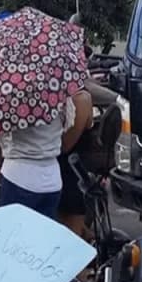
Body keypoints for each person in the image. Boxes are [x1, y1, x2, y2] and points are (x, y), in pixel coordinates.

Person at [0, 94, 76, 219]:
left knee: (14, 228)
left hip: (19, 174)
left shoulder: (11, 95)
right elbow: (68, 122)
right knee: (44, 229)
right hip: (52, 176)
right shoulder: (59, 92)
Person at [57, 88, 95, 238]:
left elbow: (66, 145)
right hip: (71, 172)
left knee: (71, 234)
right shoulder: (78, 99)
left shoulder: (80, 100)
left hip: (71, 174)